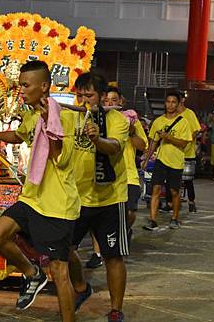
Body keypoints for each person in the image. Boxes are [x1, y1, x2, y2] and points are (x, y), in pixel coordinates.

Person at [0, 60, 78, 322]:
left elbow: (60, 159)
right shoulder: (31, 114)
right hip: (31, 197)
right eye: (20, 84)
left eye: (25, 85)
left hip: (57, 204)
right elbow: (22, 135)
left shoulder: (65, 117)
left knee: (61, 272)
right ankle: (32, 273)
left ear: (44, 86)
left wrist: (48, 122)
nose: (21, 90)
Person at [69, 75, 130, 322]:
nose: (83, 101)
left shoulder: (117, 120)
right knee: (63, 250)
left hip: (110, 199)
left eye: (89, 96)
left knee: (112, 256)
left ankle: (116, 309)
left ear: (103, 97)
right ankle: (82, 288)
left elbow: (114, 147)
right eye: (79, 95)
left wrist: (96, 139)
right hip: (76, 198)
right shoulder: (70, 117)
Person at [142, 92, 192, 230]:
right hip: (161, 160)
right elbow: (153, 142)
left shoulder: (184, 122)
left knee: (174, 192)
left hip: (176, 162)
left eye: (173, 102)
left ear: (178, 104)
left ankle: (175, 218)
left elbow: (183, 143)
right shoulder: (158, 121)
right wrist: (146, 159)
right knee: (155, 189)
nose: (170, 105)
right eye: (168, 102)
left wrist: (168, 137)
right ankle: (152, 220)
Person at [105, 87, 148, 236]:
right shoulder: (98, 119)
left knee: (129, 211)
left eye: (114, 100)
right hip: (106, 174)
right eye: (106, 100)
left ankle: (124, 231)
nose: (110, 103)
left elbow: (142, 146)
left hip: (128, 175)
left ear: (121, 101)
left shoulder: (131, 120)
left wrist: (130, 131)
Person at [177, 94, 202, 212]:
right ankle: (171, 203)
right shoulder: (172, 114)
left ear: (182, 100)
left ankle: (191, 202)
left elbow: (197, 130)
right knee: (172, 180)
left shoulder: (189, 113)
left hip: (188, 153)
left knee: (187, 180)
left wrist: (188, 140)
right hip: (174, 153)